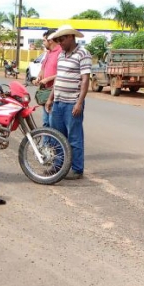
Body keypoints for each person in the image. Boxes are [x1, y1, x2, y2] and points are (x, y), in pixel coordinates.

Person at [45, 25, 91, 180]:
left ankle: (77, 170)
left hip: (72, 103)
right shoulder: (61, 54)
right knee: (58, 137)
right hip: (58, 102)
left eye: (62, 39)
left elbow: (85, 80)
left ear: (71, 37)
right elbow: (58, 78)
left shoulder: (83, 53)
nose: (60, 42)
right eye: (57, 40)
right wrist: (51, 98)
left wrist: (79, 103)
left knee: (74, 138)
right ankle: (58, 167)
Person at [34, 28, 61, 128]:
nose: (43, 43)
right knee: (46, 121)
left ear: (51, 40)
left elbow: (63, 73)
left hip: (54, 92)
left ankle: (53, 142)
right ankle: (46, 143)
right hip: (45, 92)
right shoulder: (48, 53)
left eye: (44, 40)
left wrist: (48, 79)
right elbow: (43, 69)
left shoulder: (60, 52)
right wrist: (39, 77)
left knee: (52, 122)